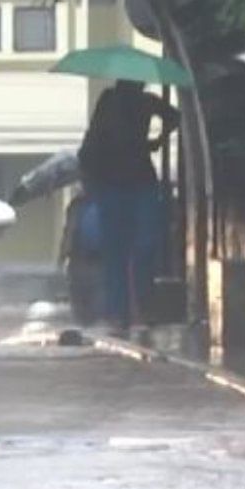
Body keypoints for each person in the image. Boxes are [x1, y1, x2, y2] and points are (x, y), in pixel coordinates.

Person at [77, 80, 179, 334]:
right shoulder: (111, 101)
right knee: (118, 251)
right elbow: (92, 144)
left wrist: (156, 140)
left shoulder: (145, 101)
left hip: (133, 183)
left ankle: (133, 309)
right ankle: (120, 312)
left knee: (138, 248)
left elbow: (174, 116)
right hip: (114, 184)